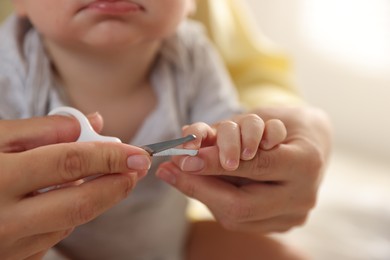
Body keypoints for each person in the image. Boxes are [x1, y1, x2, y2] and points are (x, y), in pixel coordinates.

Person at [0, 0, 332, 259]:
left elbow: (226, 132)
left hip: (166, 249)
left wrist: (243, 144)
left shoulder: (192, 55)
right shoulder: (11, 66)